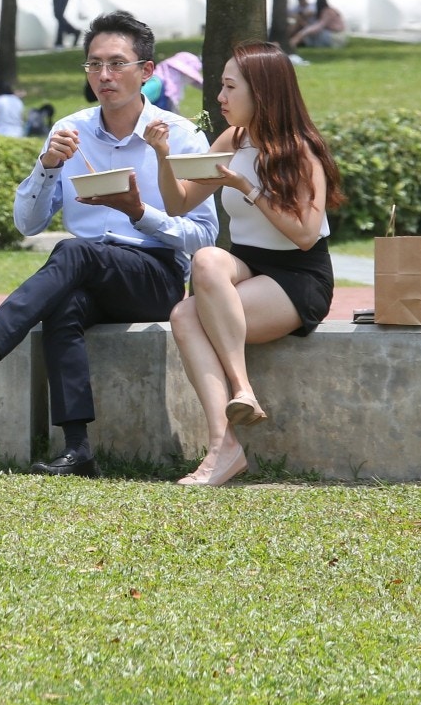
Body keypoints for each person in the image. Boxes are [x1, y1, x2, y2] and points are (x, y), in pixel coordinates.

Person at [0, 11, 218, 478]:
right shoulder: (71, 129)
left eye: (117, 64)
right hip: (88, 274)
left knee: (73, 252)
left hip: (154, 276)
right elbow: (27, 224)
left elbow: (204, 235)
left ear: (146, 71)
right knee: (65, 304)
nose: (104, 76)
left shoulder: (178, 137)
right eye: (94, 64)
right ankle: (77, 449)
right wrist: (47, 166)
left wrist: (140, 214)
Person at [144, 41, 342, 486]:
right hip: (250, 267)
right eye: (221, 86)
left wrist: (247, 187)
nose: (220, 97)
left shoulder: (301, 150)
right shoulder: (231, 140)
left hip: (299, 276)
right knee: (208, 259)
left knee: (185, 315)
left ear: (262, 92)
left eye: (230, 87)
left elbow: (306, 232)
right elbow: (179, 202)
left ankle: (229, 426)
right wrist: (161, 156)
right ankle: (230, 429)